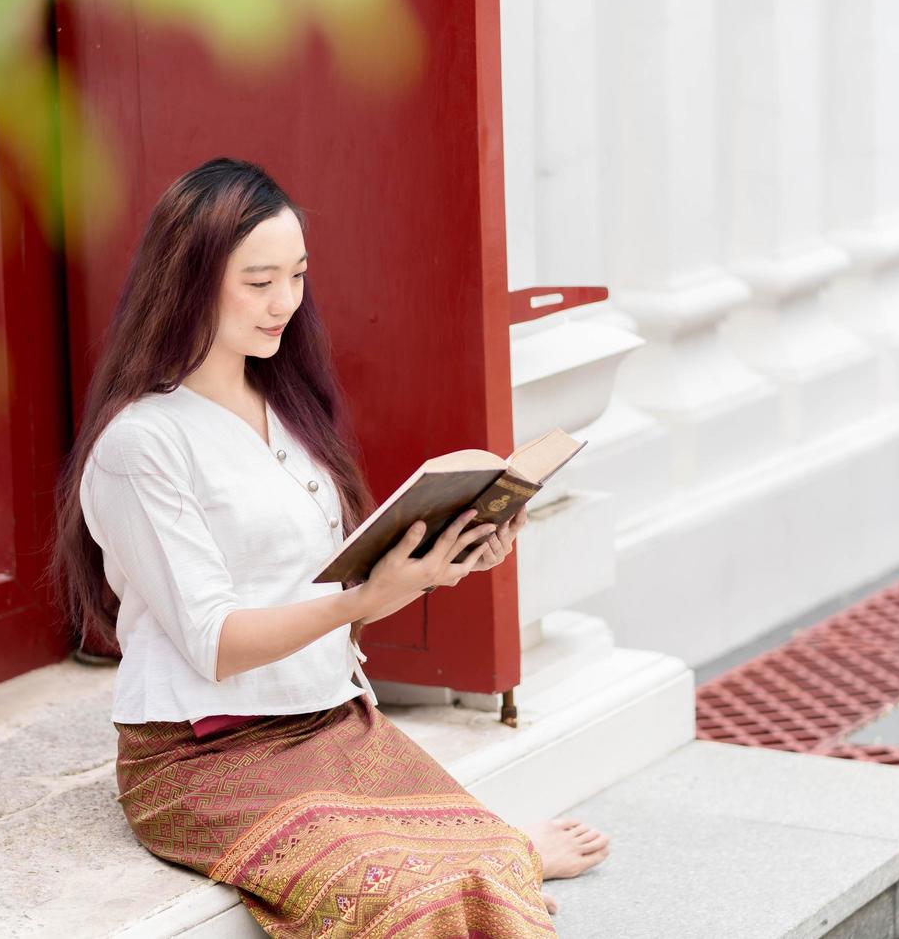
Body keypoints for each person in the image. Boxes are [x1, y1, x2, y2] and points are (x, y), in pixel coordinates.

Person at [49, 157, 609, 936]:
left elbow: (320, 590)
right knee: (418, 900)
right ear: (189, 278)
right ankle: (499, 858)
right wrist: (365, 598)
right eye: (259, 281)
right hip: (203, 758)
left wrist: (450, 558)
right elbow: (214, 642)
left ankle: (497, 856)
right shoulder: (141, 444)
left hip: (331, 723)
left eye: (298, 275)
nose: (286, 302)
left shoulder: (285, 410)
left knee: (471, 871)